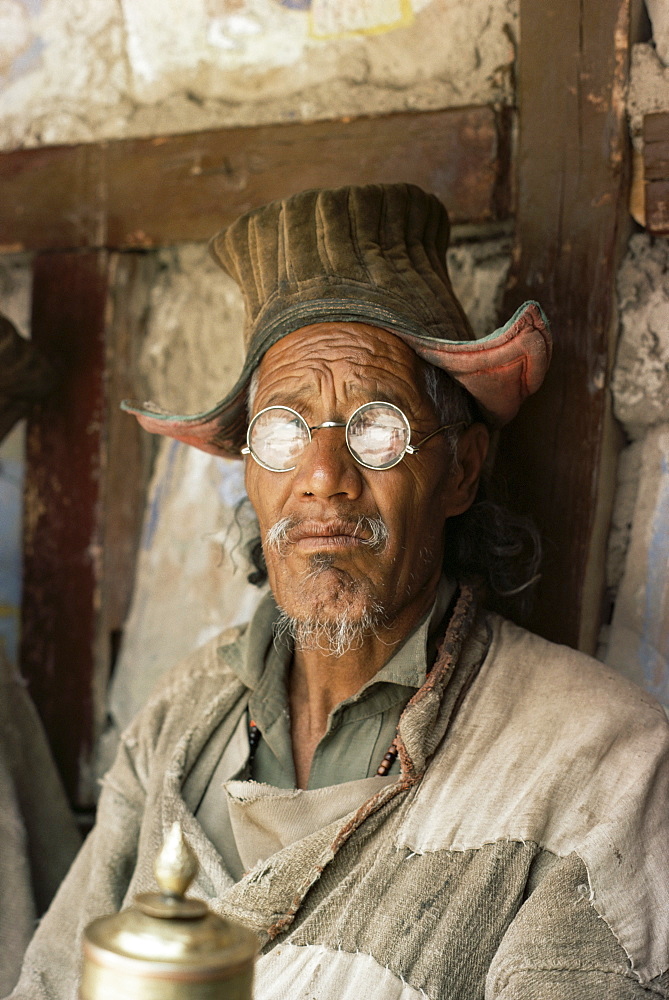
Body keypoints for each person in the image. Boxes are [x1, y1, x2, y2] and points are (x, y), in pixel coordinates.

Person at [8, 184, 668, 1000]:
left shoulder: (594, 755)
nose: (323, 479)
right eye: (282, 431)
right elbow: (47, 982)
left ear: (459, 470)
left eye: (378, 427)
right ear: (248, 473)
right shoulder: (180, 719)